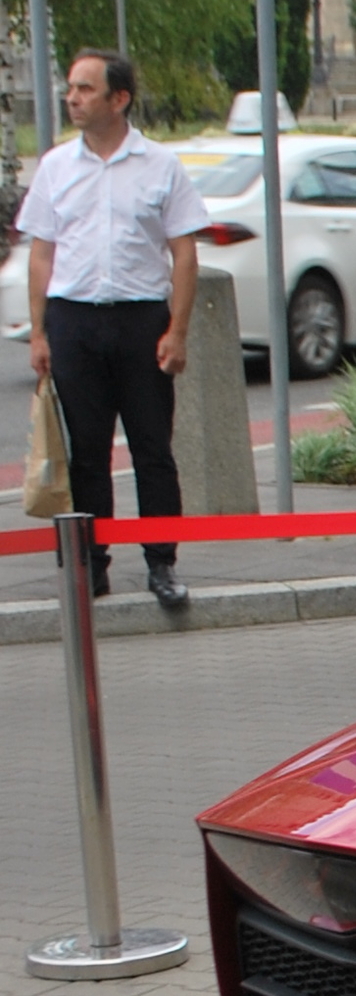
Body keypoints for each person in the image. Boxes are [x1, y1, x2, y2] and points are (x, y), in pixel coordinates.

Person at [22, 48, 206, 611]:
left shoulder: (160, 166)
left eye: (84, 89)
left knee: (152, 449)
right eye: (70, 89)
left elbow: (184, 253)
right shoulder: (55, 166)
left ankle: (161, 564)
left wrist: (177, 331)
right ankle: (91, 567)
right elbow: (40, 255)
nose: (72, 98)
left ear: (118, 99)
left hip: (140, 323)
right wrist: (39, 333)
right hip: (75, 321)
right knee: (87, 454)